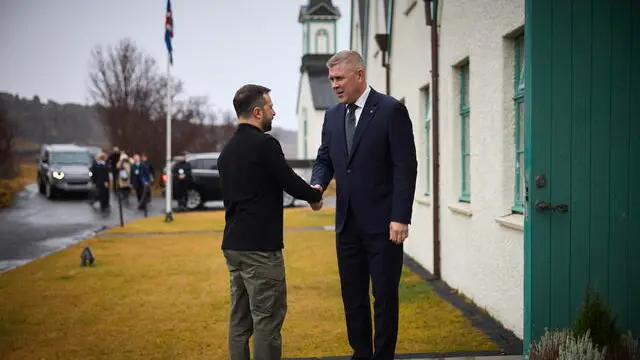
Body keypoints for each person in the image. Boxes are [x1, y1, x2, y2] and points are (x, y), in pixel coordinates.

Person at [309, 50, 418, 360]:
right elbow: (325, 158)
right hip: (346, 225)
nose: (334, 85)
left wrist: (400, 216)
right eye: (331, 79)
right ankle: (361, 353)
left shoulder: (391, 110)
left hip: (384, 225)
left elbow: (404, 166)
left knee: (383, 296)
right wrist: (318, 184)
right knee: (353, 297)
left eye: (339, 78)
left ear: (359, 75)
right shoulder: (332, 116)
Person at [217, 84, 323, 360]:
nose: (274, 112)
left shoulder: (226, 152)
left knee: (239, 321)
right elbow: (288, 179)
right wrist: (314, 195)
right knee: (267, 319)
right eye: (270, 107)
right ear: (256, 112)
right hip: (260, 250)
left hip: (234, 246)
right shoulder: (265, 145)